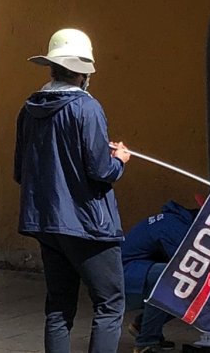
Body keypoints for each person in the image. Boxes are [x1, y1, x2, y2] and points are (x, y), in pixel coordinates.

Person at [15, 28, 131, 353]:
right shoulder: (87, 108)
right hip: (87, 223)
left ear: (52, 68)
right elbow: (101, 171)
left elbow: (21, 171)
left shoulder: (28, 109)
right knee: (110, 303)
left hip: (46, 221)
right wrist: (119, 160)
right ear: (82, 72)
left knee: (59, 307)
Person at [122, 200, 199, 353]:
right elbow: (183, 267)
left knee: (186, 286)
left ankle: (143, 326)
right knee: (174, 279)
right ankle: (146, 342)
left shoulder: (176, 220)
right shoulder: (177, 228)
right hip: (125, 279)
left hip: (134, 273)